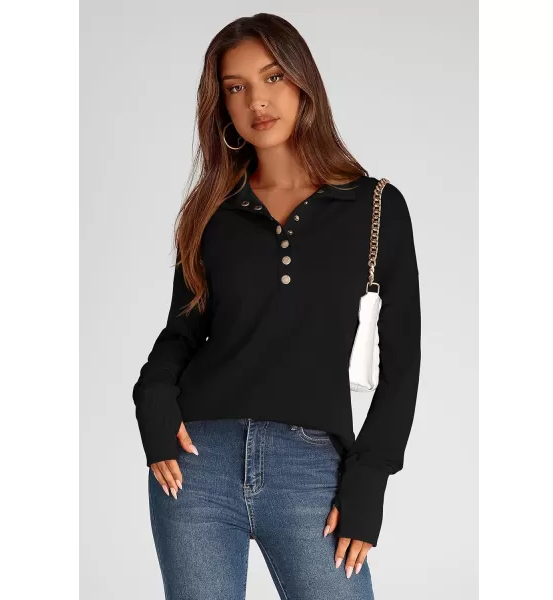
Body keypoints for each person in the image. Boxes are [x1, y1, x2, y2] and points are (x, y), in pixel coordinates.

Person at [132, 13, 421, 600]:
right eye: (235, 87)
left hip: (312, 468)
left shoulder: (375, 207)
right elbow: (181, 334)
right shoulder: (212, 211)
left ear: (302, 82)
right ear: (222, 106)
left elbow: (403, 364)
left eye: (272, 78)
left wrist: (369, 478)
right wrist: (152, 398)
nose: (256, 101)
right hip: (196, 461)